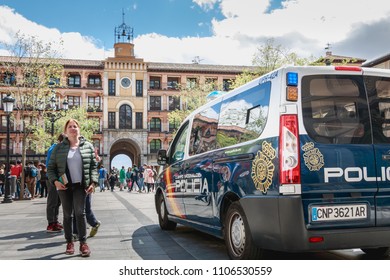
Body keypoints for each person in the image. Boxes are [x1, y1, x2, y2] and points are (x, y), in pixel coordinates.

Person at [47, 119, 98, 257]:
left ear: (79, 129)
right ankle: (69, 241)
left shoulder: (87, 146)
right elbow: (50, 168)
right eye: (70, 126)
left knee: (80, 213)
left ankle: (83, 243)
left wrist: (93, 183)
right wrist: (55, 182)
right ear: (65, 131)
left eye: (75, 126)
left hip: (81, 186)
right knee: (67, 214)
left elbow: (93, 166)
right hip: (64, 186)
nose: (73, 128)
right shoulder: (58, 148)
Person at [46, 133, 65, 233]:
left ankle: (55, 221)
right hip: (53, 178)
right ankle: (50, 223)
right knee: (52, 201)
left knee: (57, 201)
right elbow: (51, 165)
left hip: (59, 178)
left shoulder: (58, 148)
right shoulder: (54, 148)